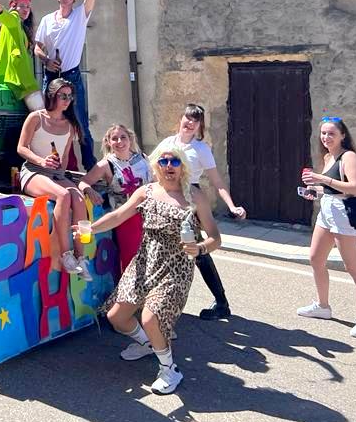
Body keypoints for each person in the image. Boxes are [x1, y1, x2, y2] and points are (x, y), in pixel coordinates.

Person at [90, 145, 222, 395]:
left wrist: (200, 249)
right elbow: (118, 215)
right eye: (164, 161)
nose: (170, 166)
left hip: (176, 268)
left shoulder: (195, 196)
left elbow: (215, 237)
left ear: (183, 167)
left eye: (175, 161)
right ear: (156, 166)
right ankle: (147, 344)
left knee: (151, 318)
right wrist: (90, 229)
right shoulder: (146, 192)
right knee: (116, 318)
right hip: (144, 262)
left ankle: (169, 369)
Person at [156, 103, 246, 321]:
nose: (190, 123)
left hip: (189, 198)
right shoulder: (167, 143)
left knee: (196, 250)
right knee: (164, 248)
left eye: (195, 120)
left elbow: (217, 181)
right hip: (167, 195)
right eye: (187, 118)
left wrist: (232, 206)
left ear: (199, 126)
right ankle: (159, 300)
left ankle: (221, 302)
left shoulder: (201, 149)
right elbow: (153, 168)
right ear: (180, 119)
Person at [297, 117, 356, 338]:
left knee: (354, 269)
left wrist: (322, 179)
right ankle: (323, 306)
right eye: (323, 133)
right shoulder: (328, 156)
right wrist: (316, 191)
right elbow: (332, 190)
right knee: (315, 258)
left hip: (345, 217)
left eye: (331, 133)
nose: (326, 138)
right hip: (327, 213)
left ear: (343, 135)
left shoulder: (348, 157)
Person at [16, 78, 92, 279]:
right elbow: (21, 148)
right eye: (63, 96)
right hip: (33, 171)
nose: (67, 100)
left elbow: (65, 155)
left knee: (78, 199)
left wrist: (60, 171)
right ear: (52, 95)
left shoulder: (70, 125)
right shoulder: (36, 118)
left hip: (55, 174)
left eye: (69, 96)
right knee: (63, 195)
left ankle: (80, 256)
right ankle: (66, 255)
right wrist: (41, 161)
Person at [33, 0, 98, 168]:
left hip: (71, 76)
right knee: (49, 123)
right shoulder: (47, 20)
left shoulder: (80, 15)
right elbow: (37, 48)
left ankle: (90, 168)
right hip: (51, 78)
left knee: (80, 124)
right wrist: (47, 60)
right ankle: (51, 165)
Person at [80, 123, 152, 273]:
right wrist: (89, 190)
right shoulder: (106, 164)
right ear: (108, 142)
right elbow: (83, 181)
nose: (119, 142)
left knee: (152, 259)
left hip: (150, 215)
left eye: (123, 137)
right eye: (115, 138)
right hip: (126, 218)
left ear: (130, 139)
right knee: (131, 261)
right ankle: (131, 295)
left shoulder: (143, 158)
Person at [0, 0, 44, 110]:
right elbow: (9, 18)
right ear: (13, 6)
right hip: (20, 80)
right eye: (22, 6)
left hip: (17, 80)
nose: (26, 9)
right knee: (41, 115)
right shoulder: (14, 17)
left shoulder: (21, 27)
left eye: (28, 7)